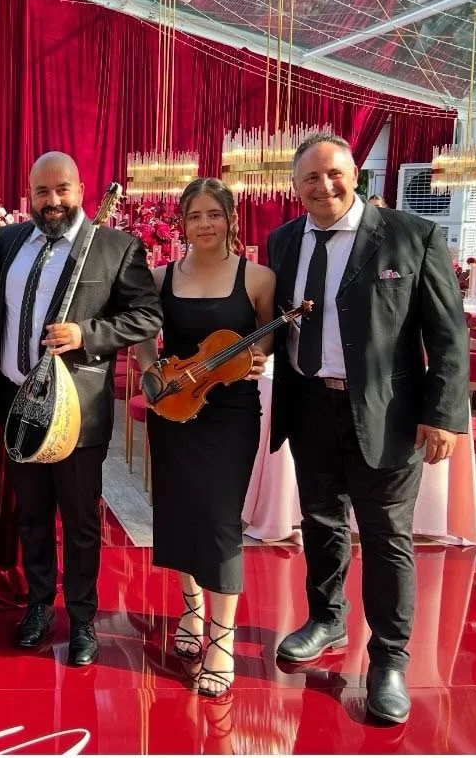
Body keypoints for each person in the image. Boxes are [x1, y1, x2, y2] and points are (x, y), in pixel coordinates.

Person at [268, 131, 468, 724]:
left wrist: (442, 413)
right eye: (310, 177)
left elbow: (447, 334)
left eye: (334, 173)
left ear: (355, 174)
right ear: (295, 186)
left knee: (385, 538)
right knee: (321, 522)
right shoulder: (282, 242)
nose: (323, 186)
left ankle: (389, 658)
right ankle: (326, 619)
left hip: (387, 413)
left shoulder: (410, 235)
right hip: (308, 405)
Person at [0, 151, 162, 666]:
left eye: (61, 190)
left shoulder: (114, 247)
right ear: (29, 193)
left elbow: (146, 317)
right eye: (41, 192)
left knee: (81, 520)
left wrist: (87, 335)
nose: (52, 201)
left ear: (80, 189)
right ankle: (40, 605)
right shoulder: (9, 242)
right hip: (18, 403)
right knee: (33, 515)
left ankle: (83, 618)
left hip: (76, 413)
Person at [134, 178, 275, 698]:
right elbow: (142, 338)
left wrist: (260, 359)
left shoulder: (257, 278)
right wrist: (153, 376)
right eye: (195, 216)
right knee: (179, 511)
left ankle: (222, 639)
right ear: (183, 222)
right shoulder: (159, 276)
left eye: (214, 214)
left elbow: (269, 337)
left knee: (218, 520)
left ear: (230, 218)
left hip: (231, 415)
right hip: (174, 409)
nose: (205, 224)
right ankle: (192, 612)